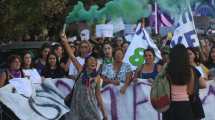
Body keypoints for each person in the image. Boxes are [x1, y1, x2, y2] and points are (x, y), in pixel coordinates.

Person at [60, 33, 108, 120]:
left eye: (95, 60)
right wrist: (65, 42)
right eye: (91, 60)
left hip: (91, 107)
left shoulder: (97, 77)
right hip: (77, 107)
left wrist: (104, 113)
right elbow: (72, 56)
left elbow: (98, 95)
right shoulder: (81, 71)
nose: (93, 62)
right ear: (86, 63)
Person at [162, 44, 195, 120]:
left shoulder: (166, 68)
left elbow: (162, 84)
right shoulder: (189, 69)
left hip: (168, 105)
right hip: (184, 105)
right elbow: (190, 91)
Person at [187, 47, 206, 120]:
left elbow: (204, 83)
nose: (188, 56)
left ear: (195, 55)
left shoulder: (200, 66)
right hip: (192, 102)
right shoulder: (190, 68)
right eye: (186, 54)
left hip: (193, 101)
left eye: (190, 54)